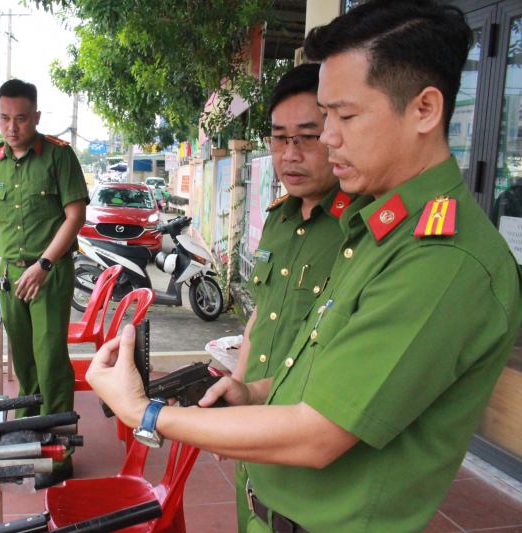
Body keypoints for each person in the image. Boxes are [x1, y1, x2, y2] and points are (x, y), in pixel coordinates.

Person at [86, 1, 522, 532]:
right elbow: (332, 374)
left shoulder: (443, 257)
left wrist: (146, 414)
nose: (329, 138)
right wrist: (256, 393)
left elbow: (320, 434)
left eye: (345, 115)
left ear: (425, 110)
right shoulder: (379, 230)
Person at [0, 79, 88, 489]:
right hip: (11, 276)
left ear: (36, 118)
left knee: (51, 361)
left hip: (49, 273)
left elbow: (74, 216)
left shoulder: (59, 156)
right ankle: (28, 436)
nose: (12, 127)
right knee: (24, 362)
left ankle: (59, 453)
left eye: (21, 118)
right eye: (5, 118)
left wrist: (44, 263)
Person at [230, 63, 352, 533]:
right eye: (280, 138)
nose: (290, 154)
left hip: (303, 437)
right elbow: (259, 317)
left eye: (307, 136)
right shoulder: (278, 219)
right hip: (253, 428)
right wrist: (237, 398)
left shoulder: (356, 228)